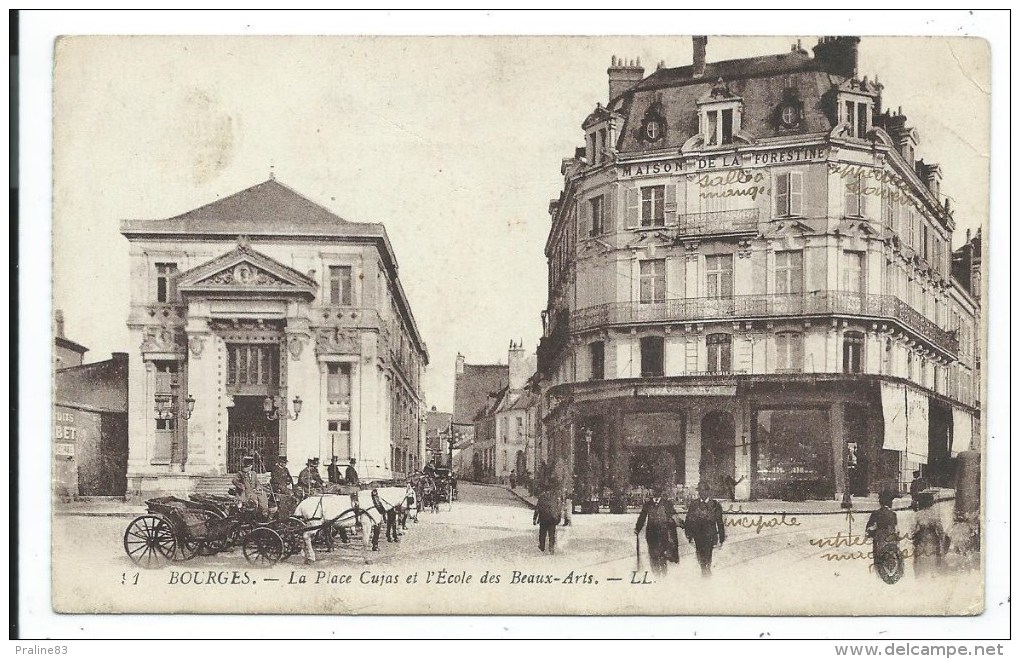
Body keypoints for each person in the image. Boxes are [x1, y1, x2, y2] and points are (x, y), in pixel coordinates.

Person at [635, 486, 680, 576]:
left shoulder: (667, 504)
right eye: (654, 491)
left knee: (663, 555)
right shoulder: (648, 504)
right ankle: (656, 575)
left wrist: (680, 523)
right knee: (653, 555)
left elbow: (674, 515)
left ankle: (663, 575)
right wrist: (637, 528)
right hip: (651, 534)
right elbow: (642, 517)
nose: (656, 494)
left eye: (658, 492)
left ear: (661, 493)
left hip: (663, 533)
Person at [685, 481, 726, 577]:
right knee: (700, 556)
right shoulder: (694, 504)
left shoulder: (715, 505)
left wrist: (721, 538)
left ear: (708, 492)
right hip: (697, 536)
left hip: (710, 535)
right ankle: (705, 572)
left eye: (703, 491)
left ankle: (706, 573)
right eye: (699, 491)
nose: (701, 493)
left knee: (707, 556)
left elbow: (719, 522)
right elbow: (688, 520)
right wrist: (689, 535)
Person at [912, 490, 946, 578]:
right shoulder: (934, 514)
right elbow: (940, 530)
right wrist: (942, 542)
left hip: (921, 540)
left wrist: (914, 538)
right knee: (932, 561)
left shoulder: (917, 515)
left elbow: (913, 530)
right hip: (932, 540)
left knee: (921, 562)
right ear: (930, 503)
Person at [866, 491, 900, 576]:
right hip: (891, 541)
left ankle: (879, 575)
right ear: (888, 502)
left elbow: (868, 528)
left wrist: (873, 533)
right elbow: (896, 529)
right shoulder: (893, 514)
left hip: (879, 540)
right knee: (891, 559)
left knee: (879, 560)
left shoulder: (875, 514)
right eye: (891, 501)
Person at [533, 486, 563, 554]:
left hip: (543, 518)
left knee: (542, 533)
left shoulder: (541, 497)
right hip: (552, 519)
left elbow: (537, 508)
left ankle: (542, 546)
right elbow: (558, 509)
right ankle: (551, 547)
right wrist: (558, 518)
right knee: (552, 534)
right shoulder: (555, 497)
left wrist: (534, 519)